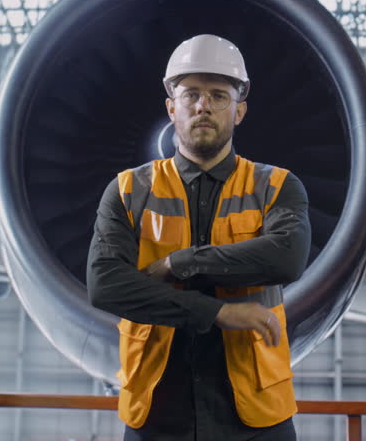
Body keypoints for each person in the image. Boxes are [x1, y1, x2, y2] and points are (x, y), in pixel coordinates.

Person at [87, 34, 311, 441]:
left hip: (256, 418)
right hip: (157, 412)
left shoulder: (277, 186)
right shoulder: (127, 190)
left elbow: (287, 258)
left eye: (218, 95)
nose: (203, 106)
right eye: (191, 94)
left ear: (239, 110)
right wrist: (219, 313)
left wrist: (181, 262)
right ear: (172, 107)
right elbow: (106, 286)